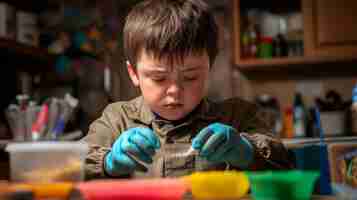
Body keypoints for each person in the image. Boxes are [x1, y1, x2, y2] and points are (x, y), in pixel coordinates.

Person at [83, 0, 294, 179]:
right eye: (159, 78)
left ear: (209, 68)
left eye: (190, 77)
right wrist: (107, 163)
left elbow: (286, 164)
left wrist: (247, 151)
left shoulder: (237, 117)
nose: (174, 90)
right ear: (134, 74)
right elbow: (67, 167)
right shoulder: (116, 120)